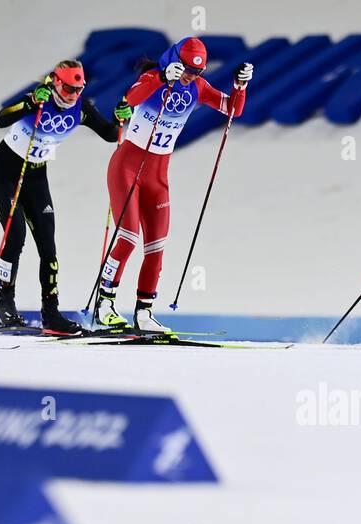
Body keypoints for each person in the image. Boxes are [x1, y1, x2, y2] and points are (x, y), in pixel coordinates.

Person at [94, 37, 253, 335]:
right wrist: (162, 79)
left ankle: (144, 313)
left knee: (156, 247)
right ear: (174, 60)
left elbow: (233, 110)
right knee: (127, 238)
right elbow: (130, 98)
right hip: (127, 167)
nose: (191, 77)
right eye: (187, 71)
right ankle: (105, 305)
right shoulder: (153, 77)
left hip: (158, 177)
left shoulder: (198, 88)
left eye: (197, 73)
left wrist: (240, 87)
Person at [0, 60, 124, 335]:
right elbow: (1, 119)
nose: (74, 95)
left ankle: (51, 314)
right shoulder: (39, 99)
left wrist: (121, 117)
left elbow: (110, 135)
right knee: (15, 237)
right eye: (70, 88)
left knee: (48, 247)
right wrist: (28, 104)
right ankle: (5, 304)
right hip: (4, 172)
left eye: (79, 89)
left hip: (36, 176)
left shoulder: (81, 107)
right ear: (56, 82)